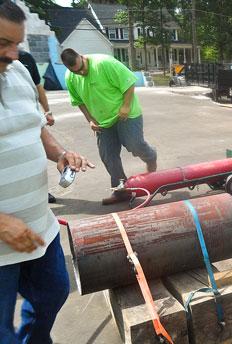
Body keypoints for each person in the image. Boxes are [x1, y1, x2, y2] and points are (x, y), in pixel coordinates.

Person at [0, 1, 94, 343]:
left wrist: (61, 153)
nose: (12, 54)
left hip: (39, 228)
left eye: (16, 44)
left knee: (54, 293)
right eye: (2, 44)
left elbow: (37, 130)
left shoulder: (20, 72)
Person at [61, 48, 158, 205]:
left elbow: (129, 81)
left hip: (126, 114)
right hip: (103, 122)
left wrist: (126, 106)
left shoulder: (104, 63)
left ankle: (151, 156)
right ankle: (121, 191)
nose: (81, 72)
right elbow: (78, 101)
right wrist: (90, 120)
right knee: (108, 156)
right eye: (76, 72)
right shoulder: (70, 77)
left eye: (82, 67)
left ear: (82, 57)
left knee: (135, 145)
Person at [18, 49, 57, 203]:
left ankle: (41, 192)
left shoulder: (25, 58)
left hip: (30, 119)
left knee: (35, 156)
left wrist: (47, 111)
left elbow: (38, 86)